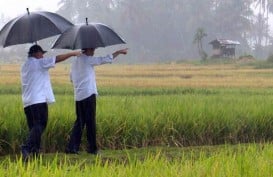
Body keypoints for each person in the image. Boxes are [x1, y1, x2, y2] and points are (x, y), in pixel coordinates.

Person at [21, 44, 81, 161]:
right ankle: (26, 147)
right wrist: (72, 53)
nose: (43, 55)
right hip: (38, 100)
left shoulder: (24, 65)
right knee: (40, 124)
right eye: (41, 53)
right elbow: (57, 59)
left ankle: (35, 151)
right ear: (36, 53)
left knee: (34, 127)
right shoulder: (39, 63)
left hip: (27, 103)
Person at [65, 48, 128, 154]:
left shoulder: (75, 62)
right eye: (93, 49)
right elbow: (105, 59)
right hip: (89, 94)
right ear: (87, 49)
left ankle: (72, 147)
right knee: (90, 122)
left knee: (79, 122)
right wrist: (118, 52)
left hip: (78, 95)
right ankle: (92, 148)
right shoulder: (88, 59)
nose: (94, 51)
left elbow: (71, 79)